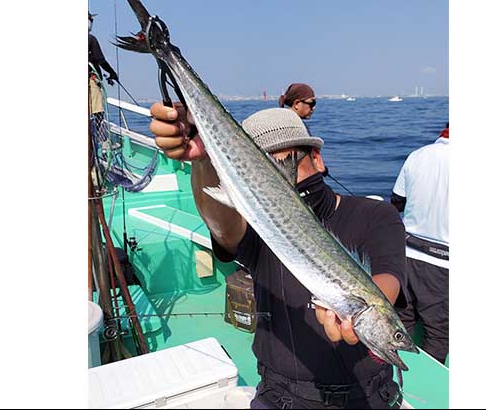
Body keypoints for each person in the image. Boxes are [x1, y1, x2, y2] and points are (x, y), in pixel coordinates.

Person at [150, 103, 408, 409]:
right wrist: (204, 161)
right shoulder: (258, 227)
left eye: (289, 162)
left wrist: (358, 310)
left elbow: (388, 277)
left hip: (369, 398)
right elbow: (222, 226)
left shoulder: (375, 214)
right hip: (281, 397)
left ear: (318, 158)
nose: (279, 182)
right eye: (264, 171)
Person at [390, 123, 449, 365]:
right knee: (438, 333)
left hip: (406, 256)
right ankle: (423, 394)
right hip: (443, 263)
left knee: (401, 324)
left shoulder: (417, 156)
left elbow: (396, 202)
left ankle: (390, 383)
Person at [88, 12, 119, 120]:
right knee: (97, 110)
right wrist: (112, 73)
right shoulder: (91, 39)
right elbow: (101, 60)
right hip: (91, 79)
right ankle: (96, 131)